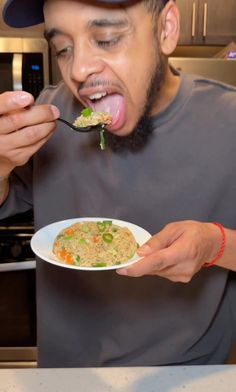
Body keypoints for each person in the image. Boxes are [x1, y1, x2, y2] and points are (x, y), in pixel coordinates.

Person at [1, 0, 236, 367]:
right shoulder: (50, 113)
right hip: (65, 376)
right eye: (63, 48)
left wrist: (216, 245)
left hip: (182, 380)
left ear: (166, 28)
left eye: (107, 38)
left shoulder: (228, 122)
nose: (77, 70)